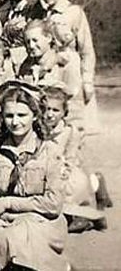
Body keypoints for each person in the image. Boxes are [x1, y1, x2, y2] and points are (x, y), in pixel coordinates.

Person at [0, 80, 68, 271]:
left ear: (35, 116)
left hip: (41, 222)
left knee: (19, 242)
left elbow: (53, 204)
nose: (15, 122)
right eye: (9, 115)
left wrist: (9, 202)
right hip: (1, 220)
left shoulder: (50, 151)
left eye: (22, 115)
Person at [31, 0, 99, 134]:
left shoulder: (73, 12)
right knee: (47, 115)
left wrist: (88, 79)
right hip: (47, 68)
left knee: (73, 118)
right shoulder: (40, 13)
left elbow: (87, 50)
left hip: (70, 69)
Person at [42, 83, 109, 233]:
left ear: (64, 112)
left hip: (66, 170)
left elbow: (70, 159)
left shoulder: (70, 132)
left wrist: (62, 173)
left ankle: (87, 217)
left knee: (69, 190)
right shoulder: (38, 130)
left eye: (55, 110)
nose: (50, 114)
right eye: (46, 109)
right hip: (45, 171)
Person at [19, 19, 84, 129]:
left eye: (35, 40)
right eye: (27, 41)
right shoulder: (25, 67)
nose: (31, 45)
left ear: (48, 38)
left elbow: (74, 104)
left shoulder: (66, 64)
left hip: (61, 129)